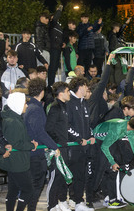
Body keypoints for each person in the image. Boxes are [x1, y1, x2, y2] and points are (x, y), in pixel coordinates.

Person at [93, 116, 134, 209]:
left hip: (110, 140)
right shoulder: (117, 130)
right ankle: (110, 200)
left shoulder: (129, 129)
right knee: (109, 170)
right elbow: (104, 147)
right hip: (98, 140)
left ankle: (108, 198)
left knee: (110, 170)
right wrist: (112, 162)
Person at [22, 78, 60, 211]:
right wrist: (54, 146)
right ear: (42, 92)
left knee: (35, 185)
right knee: (36, 184)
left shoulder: (31, 107)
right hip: (36, 154)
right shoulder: (35, 109)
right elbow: (40, 132)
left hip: (34, 152)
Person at [0, 92, 38, 211]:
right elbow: (16, 143)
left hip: (15, 161)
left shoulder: (13, 118)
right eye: (25, 103)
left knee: (13, 189)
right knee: (28, 190)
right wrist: (31, 145)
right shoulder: (13, 121)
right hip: (17, 162)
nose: (26, 106)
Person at [66, 77, 95, 211]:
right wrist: (78, 139)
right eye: (86, 86)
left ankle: (77, 200)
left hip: (84, 146)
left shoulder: (84, 103)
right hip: (73, 146)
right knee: (74, 175)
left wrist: (90, 136)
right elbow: (67, 126)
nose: (87, 89)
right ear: (80, 86)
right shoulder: (70, 102)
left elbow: (88, 124)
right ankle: (75, 200)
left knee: (81, 175)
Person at [46, 81, 72, 211]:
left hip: (64, 147)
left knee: (63, 177)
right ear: (61, 93)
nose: (69, 94)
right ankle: (51, 205)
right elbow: (49, 128)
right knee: (55, 177)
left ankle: (61, 202)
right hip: (57, 149)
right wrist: (56, 144)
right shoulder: (55, 107)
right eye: (67, 91)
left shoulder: (65, 107)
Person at [48, 5, 64, 87]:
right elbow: (55, 19)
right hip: (53, 48)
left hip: (58, 49)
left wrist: (62, 44)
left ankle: (52, 85)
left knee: (54, 68)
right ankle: (50, 85)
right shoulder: (52, 24)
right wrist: (59, 10)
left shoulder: (59, 27)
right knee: (52, 68)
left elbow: (60, 37)